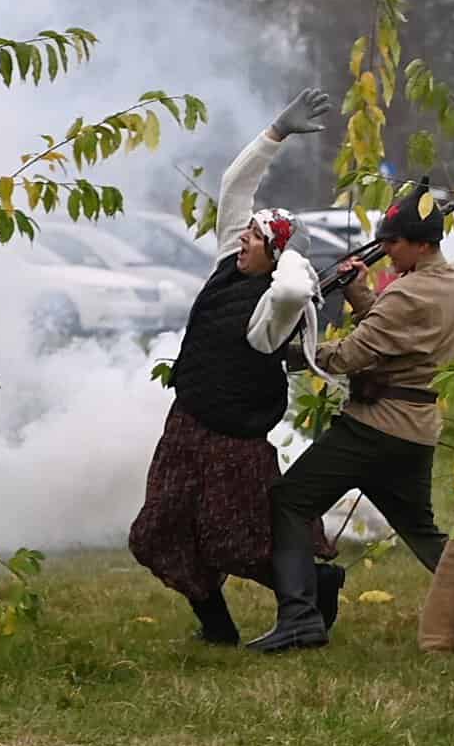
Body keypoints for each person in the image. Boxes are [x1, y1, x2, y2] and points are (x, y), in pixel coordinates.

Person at [127, 87, 342, 645]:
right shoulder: (230, 260)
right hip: (186, 426)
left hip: (235, 445)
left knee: (237, 543)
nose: (242, 240)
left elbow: (292, 287)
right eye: (245, 233)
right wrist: (276, 133)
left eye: (255, 238)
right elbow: (234, 185)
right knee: (158, 533)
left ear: (275, 255)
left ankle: (316, 588)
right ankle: (217, 628)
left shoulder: (277, 305)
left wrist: (293, 255)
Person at [247, 179, 454, 652]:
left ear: (421, 243)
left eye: (394, 241)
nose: (386, 249)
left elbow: (350, 355)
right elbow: (396, 334)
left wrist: (286, 353)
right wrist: (361, 295)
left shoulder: (407, 293)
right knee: (423, 534)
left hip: (374, 427)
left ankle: (299, 619)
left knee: (291, 500)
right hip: (414, 430)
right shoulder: (452, 284)